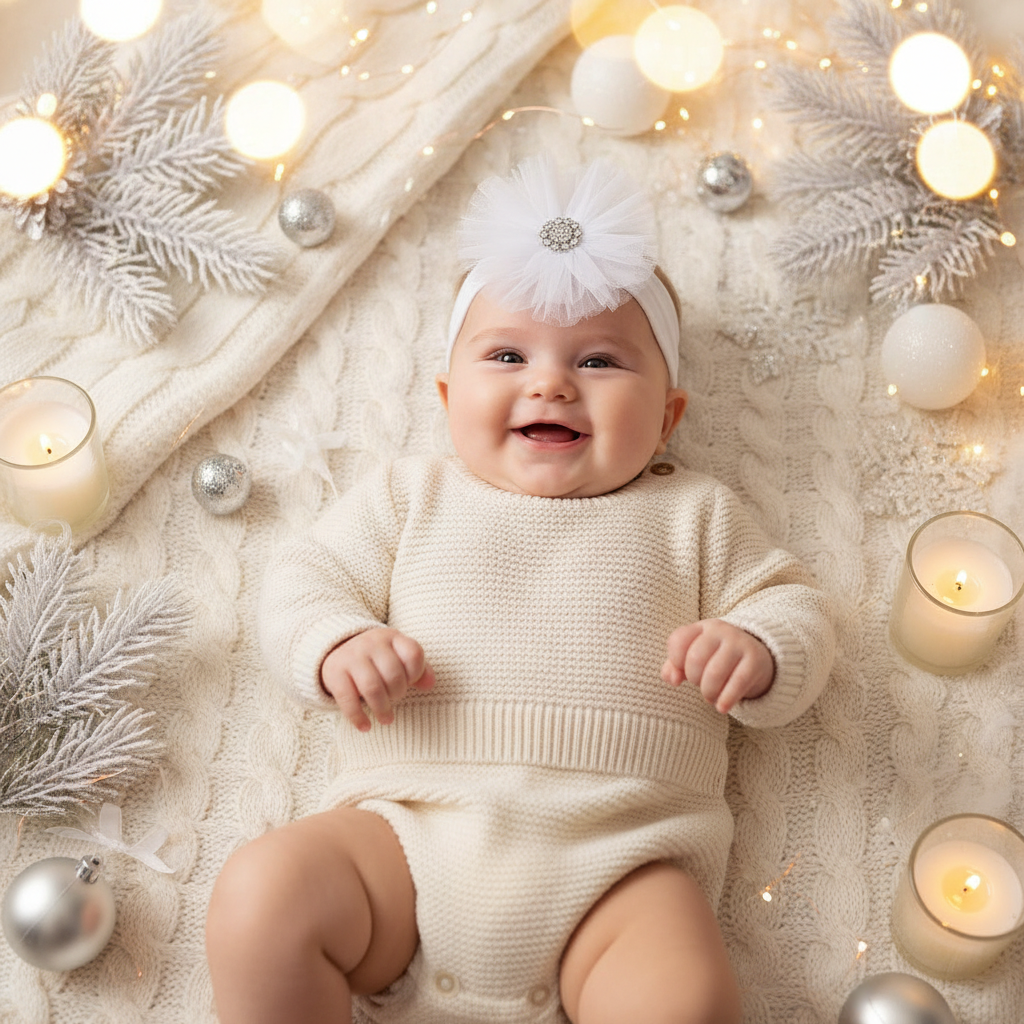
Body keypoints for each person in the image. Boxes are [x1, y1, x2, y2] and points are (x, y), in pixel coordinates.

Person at [206, 156, 836, 1024]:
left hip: (621, 859)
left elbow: (794, 604)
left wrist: (760, 649)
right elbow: (304, 579)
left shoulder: (695, 512)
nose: (550, 382)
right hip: (407, 837)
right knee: (262, 890)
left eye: (601, 361)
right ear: (446, 395)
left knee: (683, 996)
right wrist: (338, 643)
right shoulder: (410, 495)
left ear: (668, 416)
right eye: (506, 354)